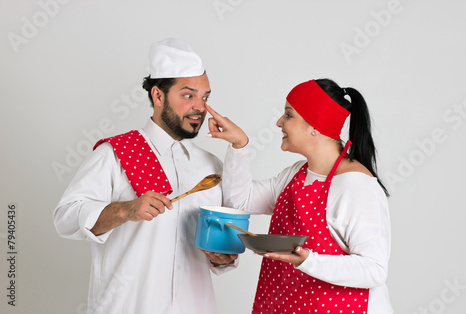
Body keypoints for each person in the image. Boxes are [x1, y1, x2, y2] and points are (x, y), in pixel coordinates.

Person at [53, 38, 237, 314]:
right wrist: (125, 210)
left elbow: (217, 251)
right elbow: (65, 218)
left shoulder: (210, 168)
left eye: (205, 97)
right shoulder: (114, 154)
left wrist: (221, 258)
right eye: (188, 96)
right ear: (158, 96)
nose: (200, 107)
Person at [206, 78, 393, 313]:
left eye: (288, 115)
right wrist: (239, 145)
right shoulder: (296, 174)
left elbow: (374, 269)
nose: (279, 122)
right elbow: (240, 201)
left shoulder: (356, 186)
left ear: (315, 125)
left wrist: (308, 260)